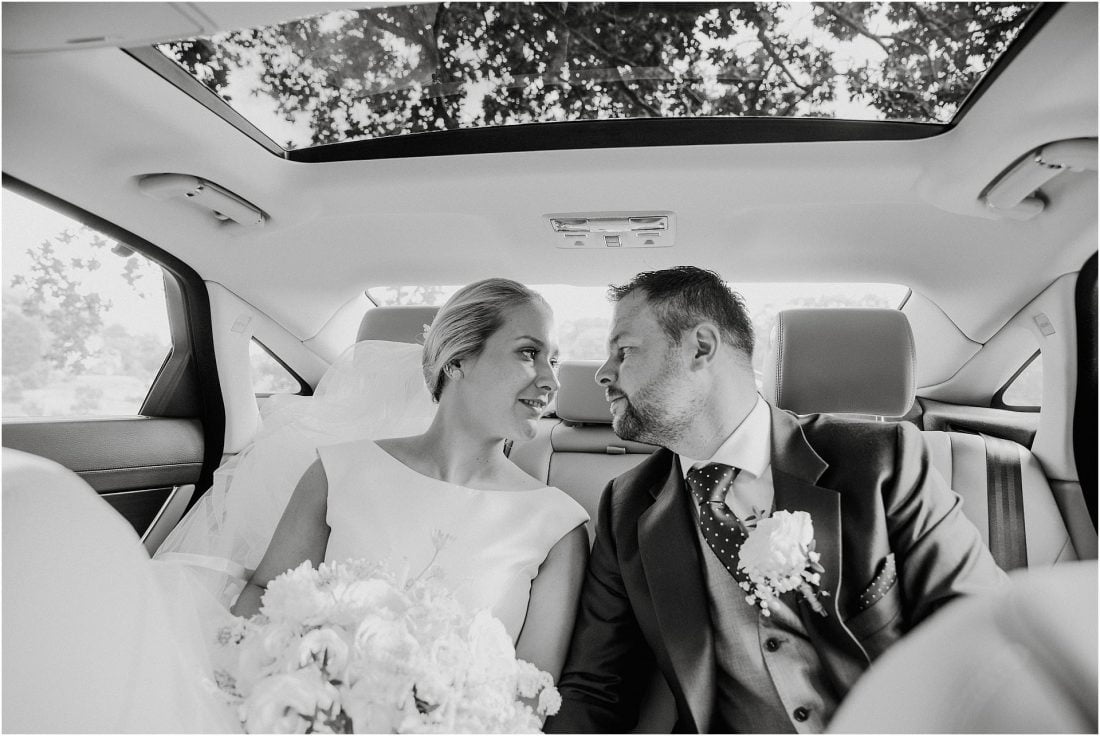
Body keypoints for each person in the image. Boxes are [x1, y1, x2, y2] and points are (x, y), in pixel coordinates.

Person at [545, 266, 1007, 734]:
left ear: (701, 347)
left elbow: (981, 635)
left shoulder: (882, 461)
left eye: (624, 351)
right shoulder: (627, 506)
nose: (603, 373)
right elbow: (597, 686)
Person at [232, 278, 590, 681]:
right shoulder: (338, 472)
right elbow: (264, 598)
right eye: (529, 353)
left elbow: (531, 686)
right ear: (457, 360)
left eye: (554, 361)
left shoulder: (557, 525)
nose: (551, 381)